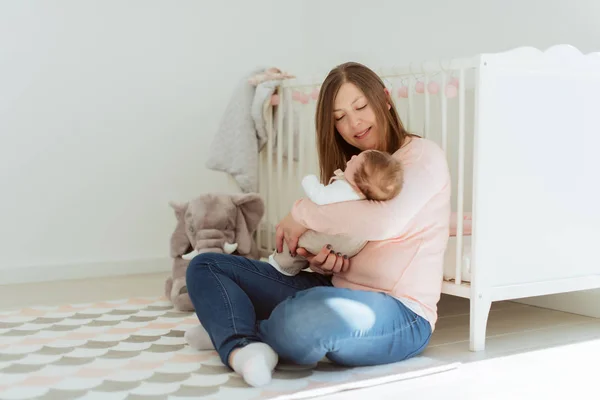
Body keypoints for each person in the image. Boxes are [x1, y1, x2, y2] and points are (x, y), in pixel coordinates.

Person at [184, 61, 451, 388]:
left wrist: (300, 214)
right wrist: (326, 263)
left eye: (360, 107)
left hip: (402, 313)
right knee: (206, 265)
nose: (353, 123)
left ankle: (230, 328)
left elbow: (383, 223)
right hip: (331, 288)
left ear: (384, 98)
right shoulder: (352, 169)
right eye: (339, 117)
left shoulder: (423, 156)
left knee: (311, 314)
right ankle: (243, 347)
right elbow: (347, 240)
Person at [268, 149, 404, 276]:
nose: (353, 157)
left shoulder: (345, 189)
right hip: (349, 246)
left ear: (359, 180)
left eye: (356, 160)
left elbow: (320, 196)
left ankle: (281, 267)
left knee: (297, 239)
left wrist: (309, 180)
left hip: (332, 237)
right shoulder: (367, 200)